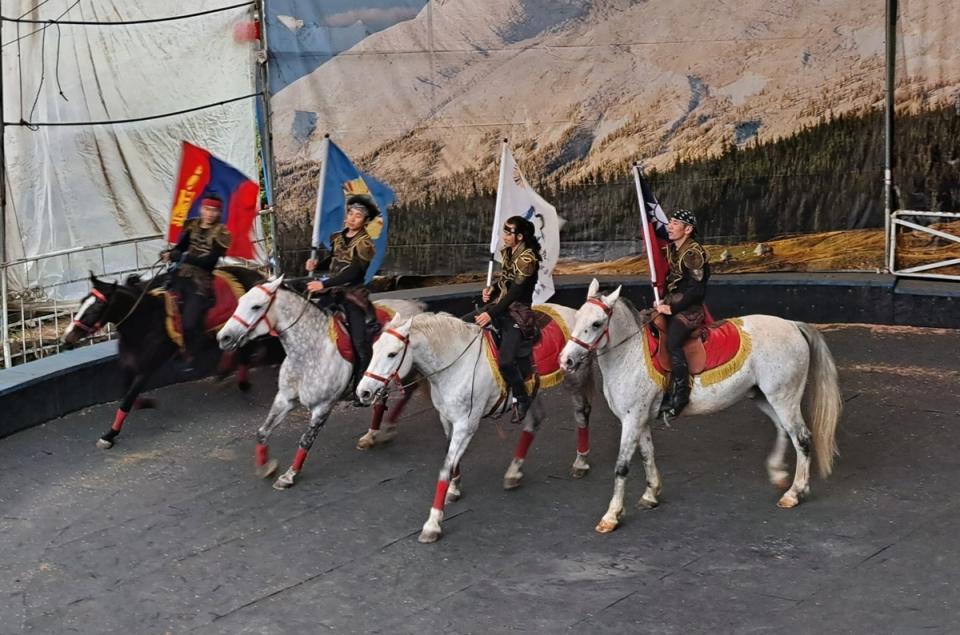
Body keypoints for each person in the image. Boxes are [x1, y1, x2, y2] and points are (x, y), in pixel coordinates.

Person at [304, 194, 380, 402]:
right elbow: (334, 260)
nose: (353, 218)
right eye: (351, 214)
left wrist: (324, 283)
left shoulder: (365, 244)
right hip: (332, 292)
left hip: (352, 294)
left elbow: (353, 272)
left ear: (365, 221)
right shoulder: (337, 238)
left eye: (358, 216)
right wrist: (317, 266)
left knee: (359, 342)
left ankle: (360, 387)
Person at [468, 215, 541, 423]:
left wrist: (490, 313)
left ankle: (521, 397)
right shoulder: (509, 253)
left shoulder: (528, 259)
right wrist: (491, 290)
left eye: (508, 233)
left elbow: (515, 293)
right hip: (500, 307)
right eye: (505, 231)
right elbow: (505, 282)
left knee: (506, 361)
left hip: (517, 313)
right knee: (462, 324)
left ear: (519, 236)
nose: (504, 236)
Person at [162, 194, 232, 368]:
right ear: (201, 209)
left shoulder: (222, 233)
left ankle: (193, 353)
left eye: (214, 210)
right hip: (179, 275)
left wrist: (185, 258)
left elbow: (210, 263)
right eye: (207, 209)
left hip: (201, 280)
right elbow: (181, 247)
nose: (209, 213)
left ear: (219, 213)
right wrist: (170, 254)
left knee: (190, 322)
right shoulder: (191, 225)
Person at [655, 208, 710, 419]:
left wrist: (672, 308)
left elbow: (697, 290)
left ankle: (681, 393)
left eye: (675, 223)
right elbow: (671, 280)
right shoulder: (674, 249)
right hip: (671, 305)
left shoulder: (693, 253)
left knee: (673, 342)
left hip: (689, 311)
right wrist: (661, 299)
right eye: (670, 221)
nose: (669, 226)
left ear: (688, 229)